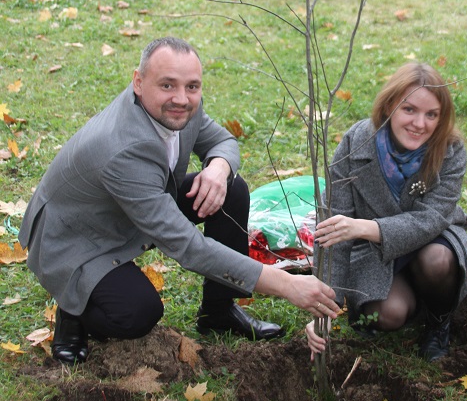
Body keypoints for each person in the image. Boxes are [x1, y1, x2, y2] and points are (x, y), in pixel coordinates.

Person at [18, 37, 338, 365]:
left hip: (132, 208)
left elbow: (222, 140)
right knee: (137, 314)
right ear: (138, 82)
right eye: (168, 84)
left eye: (192, 86)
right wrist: (285, 284)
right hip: (78, 238)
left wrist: (218, 168)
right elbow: (187, 247)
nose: (182, 99)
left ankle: (218, 311)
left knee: (232, 188)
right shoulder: (122, 149)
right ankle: (73, 307)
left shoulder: (178, 108)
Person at [306, 62, 467, 362]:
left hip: (433, 241)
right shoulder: (356, 143)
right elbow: (332, 227)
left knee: (437, 262)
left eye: (431, 114)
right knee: (387, 315)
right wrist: (326, 306)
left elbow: (430, 220)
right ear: (388, 106)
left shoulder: (450, 150)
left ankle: (440, 320)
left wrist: (365, 227)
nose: (419, 124)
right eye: (409, 109)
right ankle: (413, 298)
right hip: (375, 254)